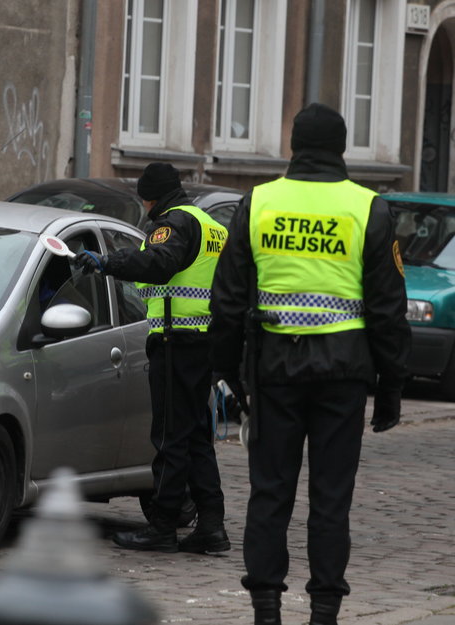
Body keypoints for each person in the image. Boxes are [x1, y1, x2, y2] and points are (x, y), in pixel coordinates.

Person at [209, 103, 411, 625]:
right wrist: (391, 388)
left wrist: (230, 372)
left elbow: (226, 301)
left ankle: (267, 610)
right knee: (330, 499)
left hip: (274, 371)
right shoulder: (369, 208)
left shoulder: (259, 203)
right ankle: (324, 613)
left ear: (294, 145)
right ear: (341, 147)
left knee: (270, 493)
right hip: (344, 373)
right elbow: (388, 310)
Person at [74, 162, 230, 554]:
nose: (143, 204)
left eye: (144, 196)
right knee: (195, 437)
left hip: (175, 342)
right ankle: (211, 527)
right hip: (201, 340)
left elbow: (160, 263)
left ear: (152, 195)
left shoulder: (172, 223)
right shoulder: (212, 227)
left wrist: (107, 262)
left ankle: (162, 525)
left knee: (169, 437)